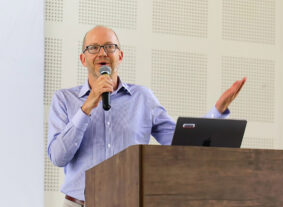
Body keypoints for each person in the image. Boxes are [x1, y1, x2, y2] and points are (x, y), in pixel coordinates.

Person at [48, 25, 246, 207]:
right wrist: (87, 106)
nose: (102, 53)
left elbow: (180, 143)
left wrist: (218, 111)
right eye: (93, 47)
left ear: (120, 55)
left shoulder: (143, 98)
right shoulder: (64, 99)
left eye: (110, 46)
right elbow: (58, 157)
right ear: (83, 59)